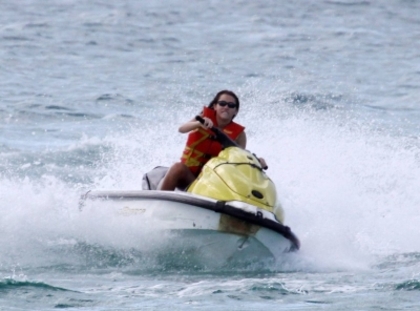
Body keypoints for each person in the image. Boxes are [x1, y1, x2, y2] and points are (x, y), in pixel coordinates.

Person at [159, 90, 266, 191]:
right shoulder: (202, 118)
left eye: (231, 105)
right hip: (188, 177)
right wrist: (199, 123)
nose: (226, 107)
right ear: (215, 106)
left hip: (211, 183)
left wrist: (257, 160)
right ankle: (160, 202)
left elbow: (240, 158)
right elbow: (181, 129)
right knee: (177, 167)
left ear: (235, 111)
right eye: (222, 103)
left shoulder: (240, 135)